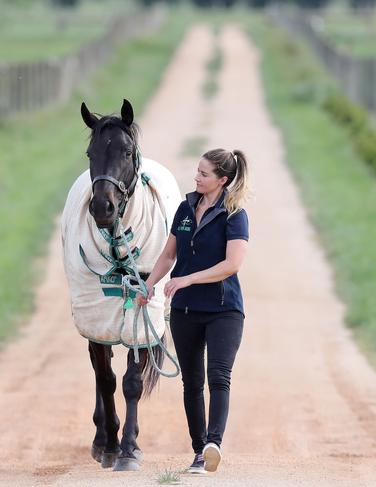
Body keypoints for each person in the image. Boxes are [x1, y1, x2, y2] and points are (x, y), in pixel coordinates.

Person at [137, 148, 249, 474]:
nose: (196, 177)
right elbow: (169, 253)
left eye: (204, 174)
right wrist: (150, 284)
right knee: (192, 383)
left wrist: (187, 279)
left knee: (219, 377)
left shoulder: (234, 214)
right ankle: (199, 451)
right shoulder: (185, 208)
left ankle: (215, 442)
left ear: (222, 180)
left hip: (223, 309)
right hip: (185, 309)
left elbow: (232, 264)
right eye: (197, 171)